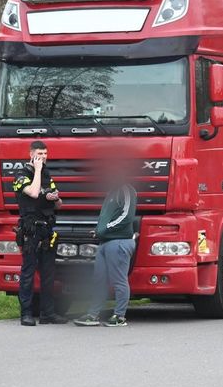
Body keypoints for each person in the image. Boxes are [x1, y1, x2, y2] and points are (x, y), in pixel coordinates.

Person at [74, 167, 139, 328]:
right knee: (99, 280)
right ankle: (93, 314)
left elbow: (126, 216)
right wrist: (98, 231)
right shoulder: (112, 192)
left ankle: (119, 316)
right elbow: (107, 218)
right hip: (105, 242)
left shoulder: (126, 190)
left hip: (119, 242)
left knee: (119, 281)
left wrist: (103, 230)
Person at [13, 140, 65, 326]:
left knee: (48, 273)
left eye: (45, 154)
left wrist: (55, 197)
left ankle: (47, 314)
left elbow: (59, 204)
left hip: (46, 229)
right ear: (31, 154)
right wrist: (36, 170)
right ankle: (26, 313)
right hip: (31, 229)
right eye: (40, 154)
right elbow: (34, 193)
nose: (43, 157)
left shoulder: (46, 175)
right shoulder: (21, 175)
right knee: (28, 273)